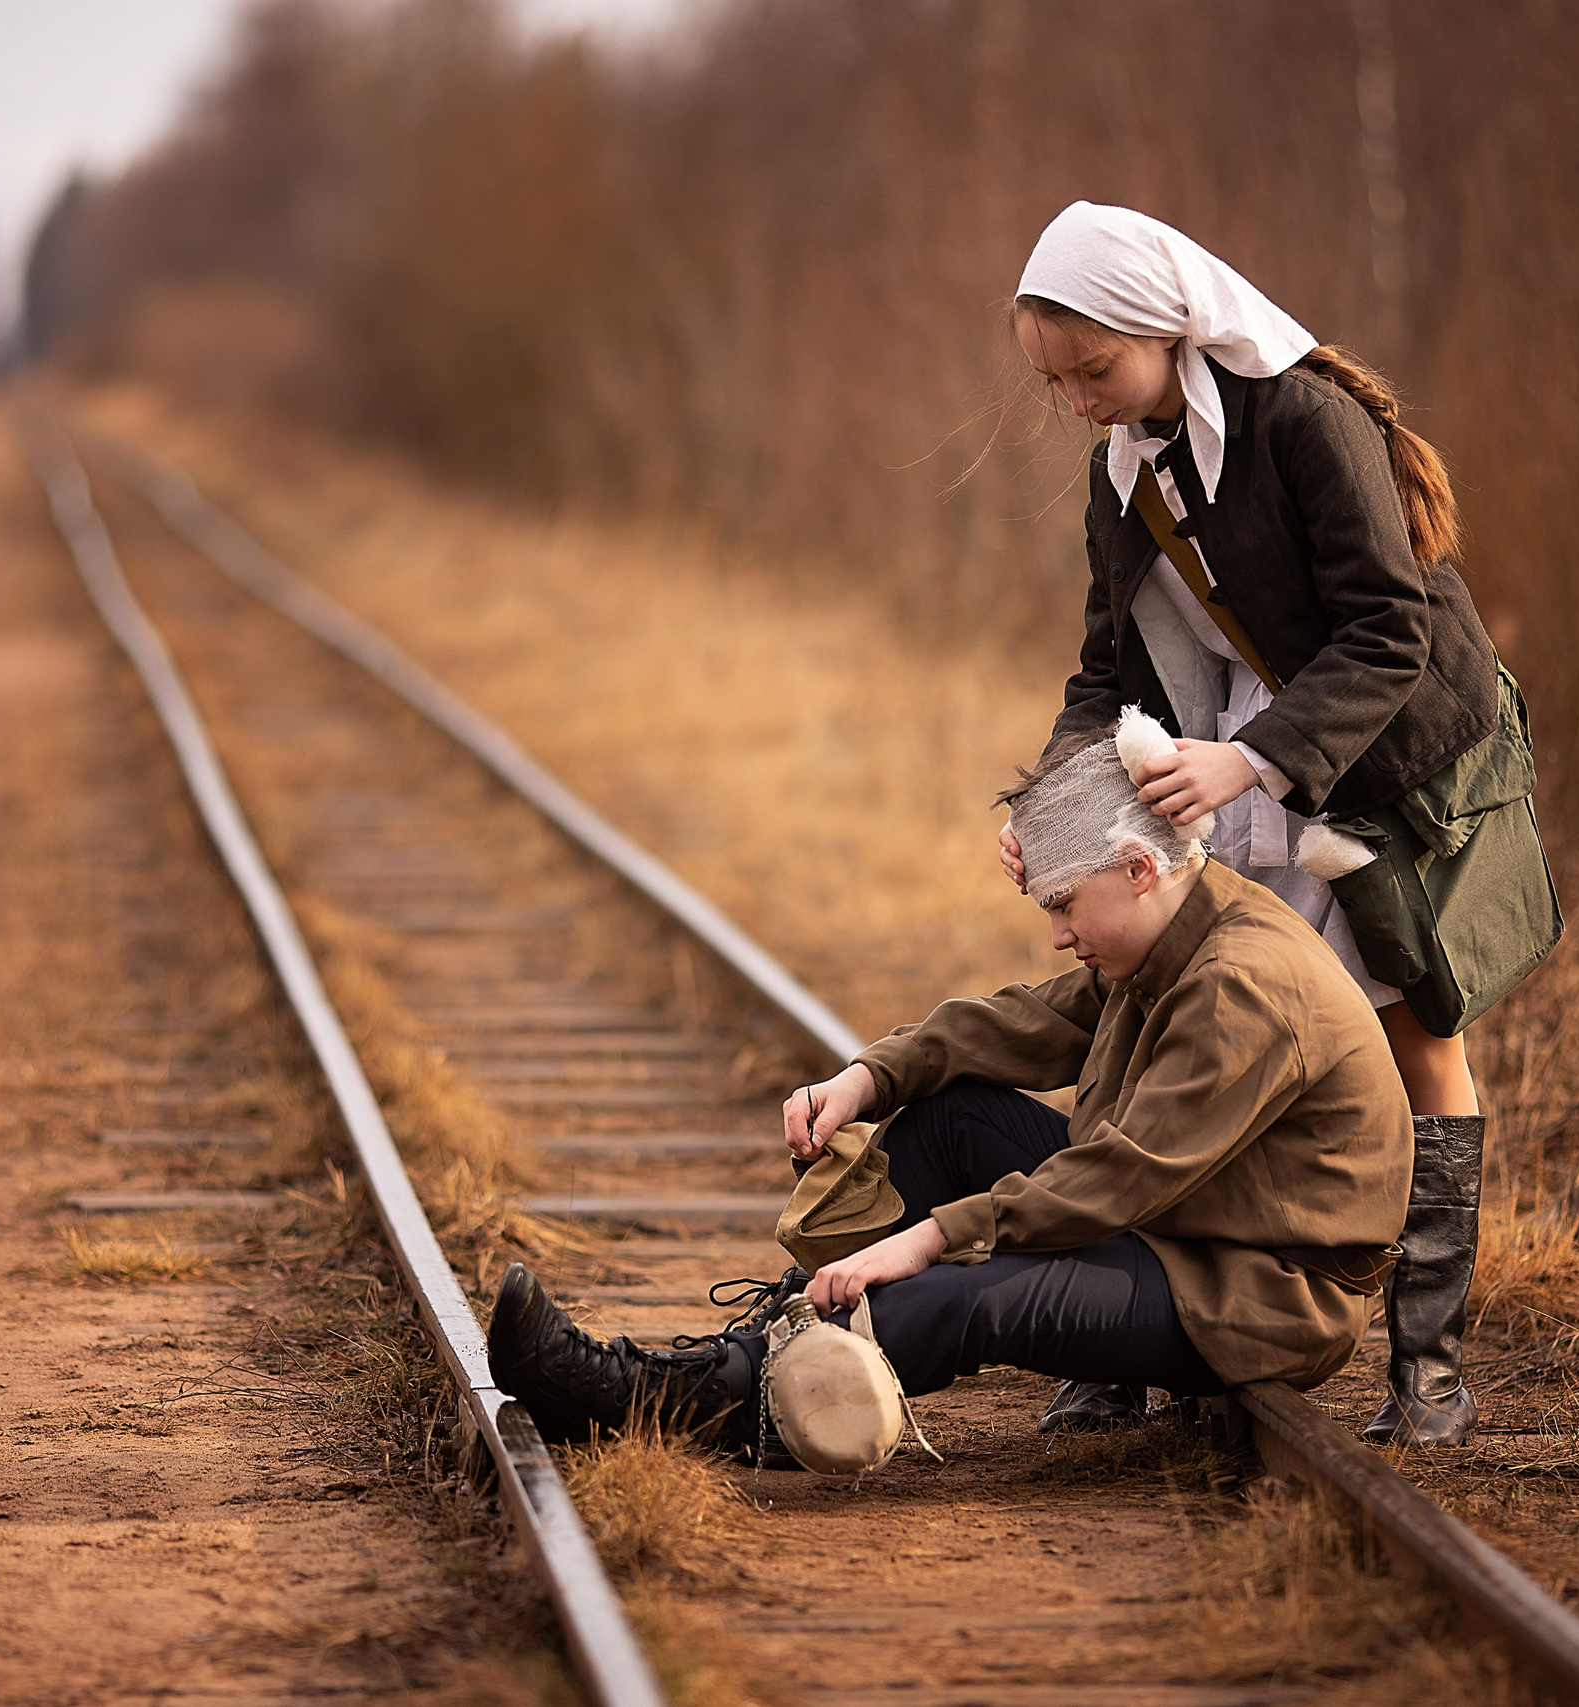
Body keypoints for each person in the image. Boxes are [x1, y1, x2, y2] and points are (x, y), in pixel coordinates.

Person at [486, 716, 1412, 1459]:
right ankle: (781, 1335)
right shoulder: (1174, 926)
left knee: (962, 1296)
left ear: (1137, 869)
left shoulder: (1242, 983)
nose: (1056, 931)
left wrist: (929, 1240)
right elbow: (1021, 1023)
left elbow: (1120, 1175)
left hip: (1259, 1287)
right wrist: (867, 1075)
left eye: (1062, 902)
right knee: (950, 1116)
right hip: (1188, 1226)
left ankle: (652, 1405)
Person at [1000, 201, 1524, 1447]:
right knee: (1187, 1008)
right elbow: (1107, 669)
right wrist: (1052, 810)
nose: (1077, 399)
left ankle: (1430, 1370)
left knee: (1414, 1033)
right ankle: (1129, 1340)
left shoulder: (1303, 420)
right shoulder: (1120, 465)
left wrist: (1250, 764)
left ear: (1167, 329)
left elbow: (1389, 632)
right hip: (1226, 768)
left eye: (1094, 370)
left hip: (1392, 758)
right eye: (1055, 381)